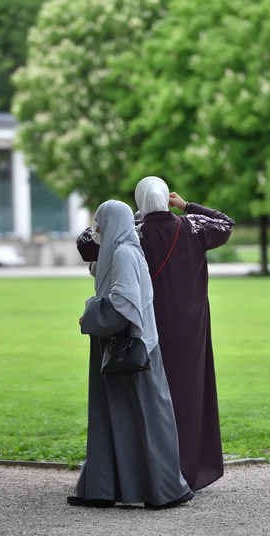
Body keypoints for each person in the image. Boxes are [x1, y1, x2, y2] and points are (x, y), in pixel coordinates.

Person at [76, 180, 235, 492]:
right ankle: (185, 469)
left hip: (142, 327)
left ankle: (147, 471)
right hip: (189, 330)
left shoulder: (132, 231)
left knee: (147, 399)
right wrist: (187, 205)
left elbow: (85, 244)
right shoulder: (192, 228)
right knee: (187, 395)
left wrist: (121, 217)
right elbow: (225, 223)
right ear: (166, 199)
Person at [68, 200, 193, 509]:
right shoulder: (122, 250)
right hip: (118, 346)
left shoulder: (124, 253)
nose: (96, 229)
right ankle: (102, 488)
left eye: (100, 222)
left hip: (129, 347)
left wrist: (91, 311)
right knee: (111, 419)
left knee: (147, 419)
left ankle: (165, 490)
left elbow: (124, 303)